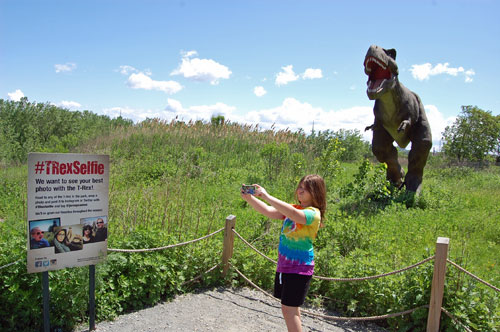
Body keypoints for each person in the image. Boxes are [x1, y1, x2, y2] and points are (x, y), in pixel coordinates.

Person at [240, 174, 326, 332]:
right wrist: (250, 199)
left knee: (288, 310)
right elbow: (268, 211)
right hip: (285, 267)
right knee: (292, 309)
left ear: (316, 192)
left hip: (299, 269)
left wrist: (267, 195)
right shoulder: (295, 207)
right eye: (300, 187)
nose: (300, 190)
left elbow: (294, 216)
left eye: (306, 188)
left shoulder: (313, 213)